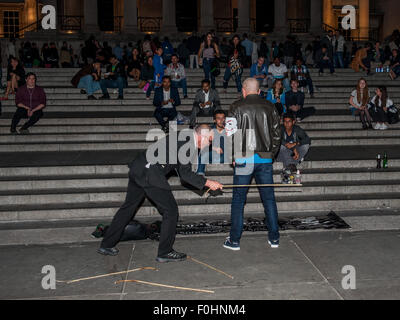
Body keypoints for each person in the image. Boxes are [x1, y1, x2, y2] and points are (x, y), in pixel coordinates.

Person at [98, 125, 224, 262]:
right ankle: (165, 252)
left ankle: (107, 244)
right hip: (150, 174)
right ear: (202, 136)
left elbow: (179, 165)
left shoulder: (185, 137)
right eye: (210, 141)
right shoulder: (188, 143)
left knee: (128, 207)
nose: (209, 144)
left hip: (138, 167)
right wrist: (208, 182)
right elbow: (185, 174)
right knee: (171, 211)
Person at [223, 78, 281, 251]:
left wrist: (233, 155)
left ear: (244, 90)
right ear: (259, 90)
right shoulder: (270, 107)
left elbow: (229, 134)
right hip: (264, 158)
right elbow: (277, 134)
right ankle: (274, 238)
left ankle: (234, 241)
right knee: (269, 199)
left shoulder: (235, 107)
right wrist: (271, 154)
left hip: (243, 157)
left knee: (238, 200)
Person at [197, 110, 227, 176]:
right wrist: (214, 148)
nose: (221, 120)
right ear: (214, 120)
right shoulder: (209, 130)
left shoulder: (229, 130)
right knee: (203, 152)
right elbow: (201, 144)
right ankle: (200, 173)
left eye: (223, 118)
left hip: (225, 156)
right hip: (212, 153)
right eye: (219, 118)